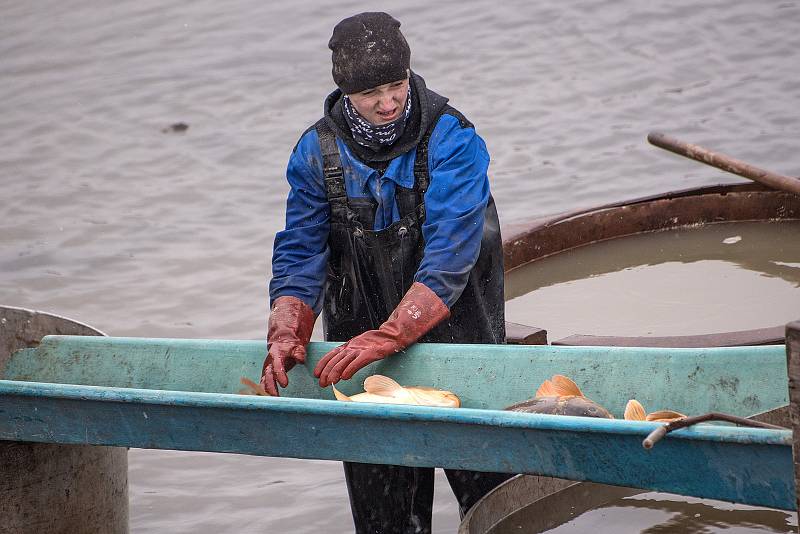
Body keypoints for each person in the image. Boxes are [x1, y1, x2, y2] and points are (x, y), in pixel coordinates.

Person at [262, 11, 511, 533]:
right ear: (346, 90)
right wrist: (287, 328)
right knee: (385, 520)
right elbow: (300, 250)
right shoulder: (316, 152)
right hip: (359, 351)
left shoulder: (453, 138)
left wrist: (393, 335)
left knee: (495, 507)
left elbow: (449, 257)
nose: (389, 102)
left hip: (461, 338)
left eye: (397, 85)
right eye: (372, 91)